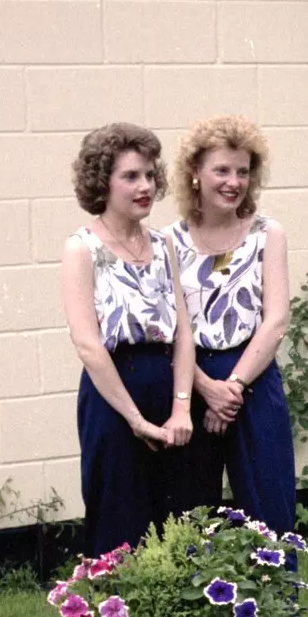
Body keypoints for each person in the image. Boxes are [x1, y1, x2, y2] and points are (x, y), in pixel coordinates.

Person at [165, 115, 302, 617]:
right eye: (221, 169)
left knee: (270, 507)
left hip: (252, 382)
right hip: (190, 383)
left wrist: (235, 388)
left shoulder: (268, 234)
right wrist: (203, 388)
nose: (232, 181)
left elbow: (275, 320)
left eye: (243, 171)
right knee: (189, 509)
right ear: (194, 173)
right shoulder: (167, 243)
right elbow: (173, 326)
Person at [61, 123, 196, 559]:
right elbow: (88, 345)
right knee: (119, 522)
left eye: (149, 175)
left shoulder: (164, 245)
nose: (145, 187)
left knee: (174, 522)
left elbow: (183, 332)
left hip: (166, 392)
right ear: (103, 182)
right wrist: (136, 420)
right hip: (114, 401)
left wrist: (181, 408)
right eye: (130, 176)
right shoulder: (82, 249)